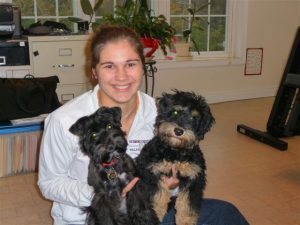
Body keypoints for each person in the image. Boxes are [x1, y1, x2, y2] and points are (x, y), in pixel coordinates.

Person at [38, 25, 249, 225]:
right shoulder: (64, 121)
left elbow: (175, 173)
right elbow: (49, 184)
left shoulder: (160, 114)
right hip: (90, 217)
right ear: (94, 71)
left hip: (146, 211)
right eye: (109, 66)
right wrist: (104, 193)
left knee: (226, 214)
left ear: (143, 66)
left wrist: (172, 187)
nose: (122, 77)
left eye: (130, 64)